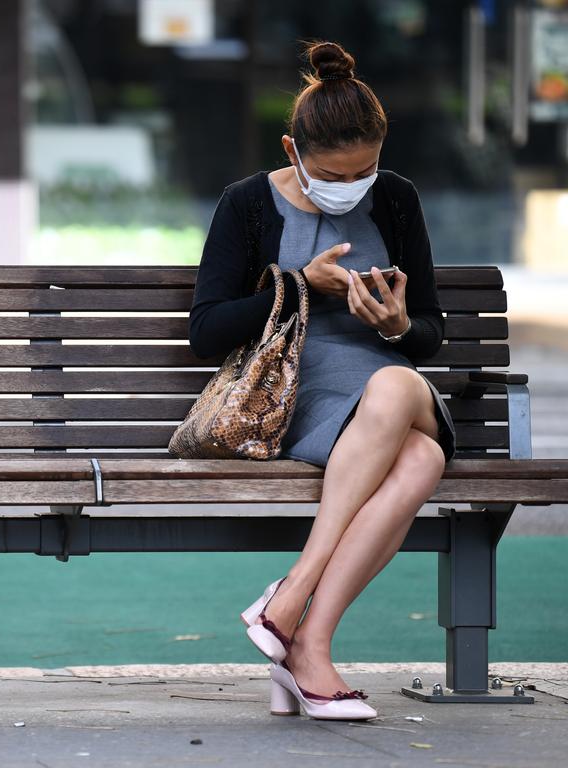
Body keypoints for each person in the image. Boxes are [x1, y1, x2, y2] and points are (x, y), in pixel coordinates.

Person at [188, 40, 456, 720]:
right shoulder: (246, 205)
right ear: (291, 150)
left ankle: (292, 597)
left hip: (385, 382)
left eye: (365, 170)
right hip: (298, 396)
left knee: (396, 385)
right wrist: (300, 286)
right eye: (336, 174)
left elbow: (427, 329)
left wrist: (397, 325)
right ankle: (309, 645)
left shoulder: (396, 201)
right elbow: (207, 330)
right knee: (421, 458)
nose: (353, 184)